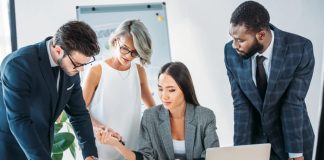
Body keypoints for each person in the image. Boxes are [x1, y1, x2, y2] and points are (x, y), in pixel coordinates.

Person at [224, 1, 315, 160]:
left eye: (240, 40)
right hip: (257, 144)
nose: (234, 45)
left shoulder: (300, 48)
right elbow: (241, 105)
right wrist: (239, 153)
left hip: (294, 141)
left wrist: (295, 153)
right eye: (232, 38)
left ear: (261, 35)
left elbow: (292, 103)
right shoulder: (230, 53)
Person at [0, 21, 100, 160]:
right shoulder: (18, 64)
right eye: (77, 64)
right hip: (11, 148)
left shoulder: (71, 69)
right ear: (58, 50)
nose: (81, 70)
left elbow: (79, 113)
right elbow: (19, 120)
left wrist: (90, 154)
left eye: (84, 64)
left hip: (43, 145)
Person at [96, 61, 220, 160]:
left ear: (184, 89)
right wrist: (116, 145)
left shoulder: (205, 116)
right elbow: (145, 157)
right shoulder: (150, 117)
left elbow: (213, 157)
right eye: (160, 89)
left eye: (171, 90)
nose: (164, 96)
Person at [82, 19, 156, 159]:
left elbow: (152, 109)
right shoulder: (97, 71)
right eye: (125, 48)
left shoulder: (139, 71)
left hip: (130, 149)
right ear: (116, 41)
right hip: (101, 148)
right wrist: (101, 127)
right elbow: (80, 111)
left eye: (134, 53)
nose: (128, 56)